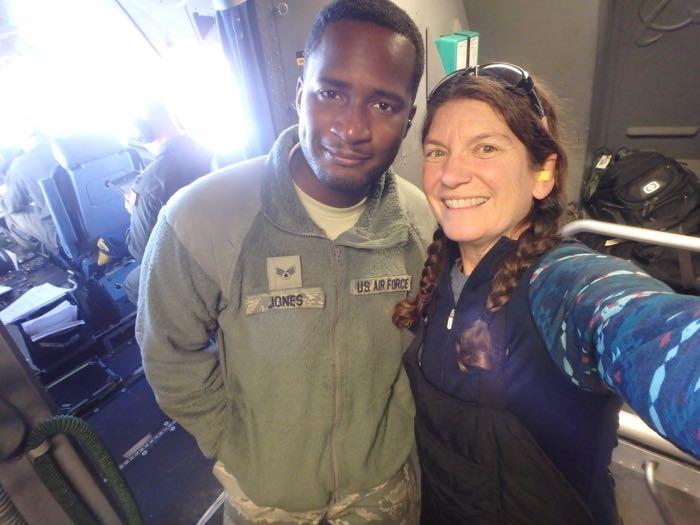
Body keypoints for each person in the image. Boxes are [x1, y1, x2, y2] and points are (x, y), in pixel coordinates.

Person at [136, 1, 433, 523]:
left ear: (410, 118)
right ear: (300, 93)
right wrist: (231, 445)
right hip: (268, 499)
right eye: (331, 93)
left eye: (384, 105)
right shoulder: (202, 218)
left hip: (383, 491)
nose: (352, 127)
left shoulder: (423, 222)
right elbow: (168, 353)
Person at [393, 63, 699, 525]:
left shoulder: (562, 282)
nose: (451, 175)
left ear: (543, 174)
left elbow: (641, 326)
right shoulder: (440, 274)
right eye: (437, 152)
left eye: (487, 148)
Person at [123, 100, 212, 304]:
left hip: (192, 265)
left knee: (132, 283)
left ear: (141, 131)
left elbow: (141, 251)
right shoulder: (206, 149)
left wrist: (134, 212)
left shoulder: (151, 183)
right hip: (224, 244)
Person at [1, 136, 59, 254]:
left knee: (11, 216)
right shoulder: (72, 146)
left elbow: (11, 205)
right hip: (100, 225)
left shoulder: (20, 166)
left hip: (67, 233)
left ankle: (51, 253)